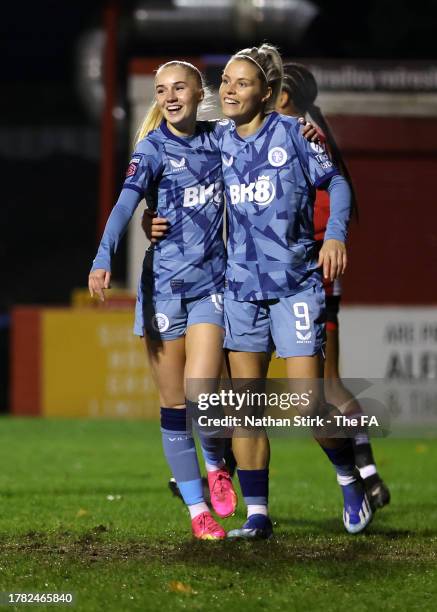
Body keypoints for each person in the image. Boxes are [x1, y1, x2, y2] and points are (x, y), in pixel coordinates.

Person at [217, 44, 371, 539]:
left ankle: (351, 479)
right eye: (225, 81)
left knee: (309, 405)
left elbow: (338, 184)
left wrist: (335, 234)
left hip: (296, 286)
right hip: (241, 289)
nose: (229, 90)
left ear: (266, 92)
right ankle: (257, 514)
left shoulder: (296, 132)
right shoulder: (216, 140)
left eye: (242, 82)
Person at [88, 60, 238, 540]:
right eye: (161, 90)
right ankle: (198, 514)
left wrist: (301, 127)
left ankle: (216, 461)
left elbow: (266, 133)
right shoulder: (151, 149)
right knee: (174, 404)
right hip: (164, 291)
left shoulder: (221, 139)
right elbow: (124, 205)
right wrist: (101, 257)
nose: (170, 96)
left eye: (179, 88)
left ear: (199, 92)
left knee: (202, 390)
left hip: (212, 286)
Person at [276, 62, 390, 511]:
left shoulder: (297, 135)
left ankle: (358, 473)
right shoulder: (305, 129)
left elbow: (319, 209)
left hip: (306, 267)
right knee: (329, 387)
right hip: (318, 266)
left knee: (313, 396)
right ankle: (367, 471)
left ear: (283, 95)